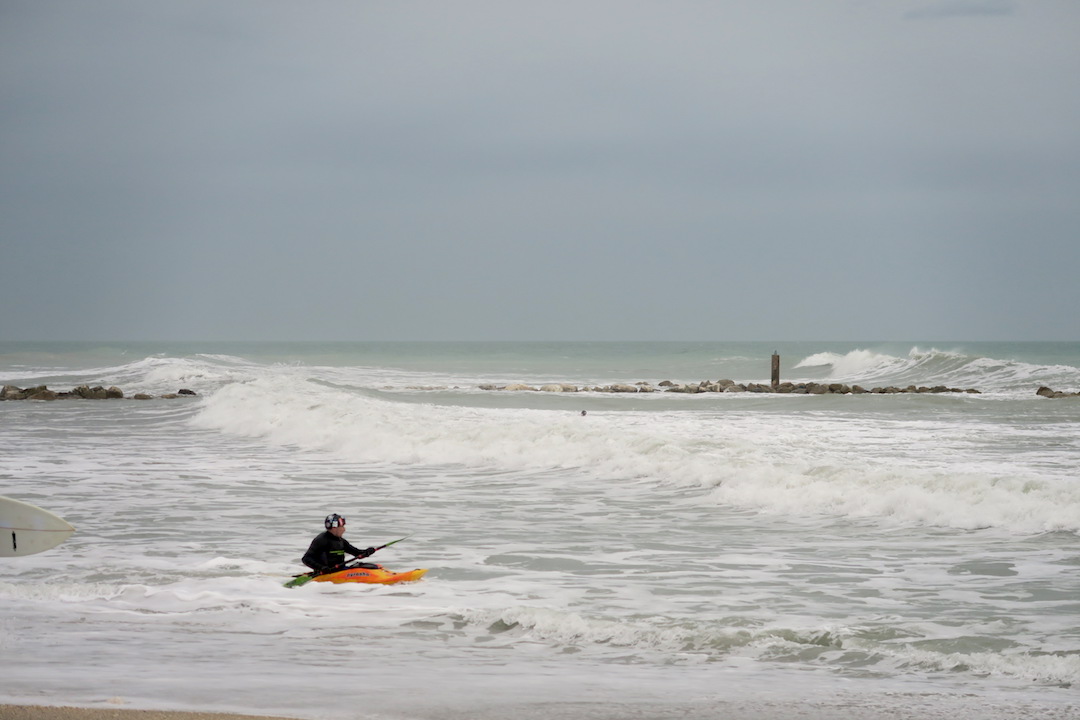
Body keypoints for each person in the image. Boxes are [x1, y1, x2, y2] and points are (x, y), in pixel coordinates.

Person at [302, 513, 374, 573]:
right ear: (334, 528)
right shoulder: (321, 540)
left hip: (340, 570)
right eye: (342, 527)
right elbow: (306, 559)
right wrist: (322, 568)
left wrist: (367, 552)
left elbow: (357, 553)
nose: (344, 529)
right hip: (326, 573)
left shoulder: (340, 541)